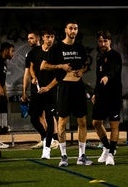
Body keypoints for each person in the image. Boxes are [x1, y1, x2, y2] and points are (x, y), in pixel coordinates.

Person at [40, 19, 93, 166]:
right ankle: (64, 156)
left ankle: (82, 156)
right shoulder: (56, 48)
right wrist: (61, 66)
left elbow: (85, 65)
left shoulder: (80, 48)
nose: (73, 31)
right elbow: (43, 66)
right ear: (65, 30)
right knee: (62, 122)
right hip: (64, 88)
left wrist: (82, 70)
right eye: (71, 28)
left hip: (78, 88)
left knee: (82, 121)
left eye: (75, 28)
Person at [91, 30, 122, 166]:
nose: (103, 43)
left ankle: (111, 154)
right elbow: (98, 77)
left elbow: (114, 70)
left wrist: (107, 77)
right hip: (101, 95)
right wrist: (94, 93)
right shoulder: (99, 56)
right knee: (96, 123)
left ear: (110, 41)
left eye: (105, 41)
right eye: (101, 41)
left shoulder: (115, 55)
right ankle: (107, 147)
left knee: (114, 125)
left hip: (114, 95)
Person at [28, 28, 59, 159]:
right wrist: (33, 77)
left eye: (52, 36)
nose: (50, 39)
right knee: (34, 118)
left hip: (50, 91)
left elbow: (60, 75)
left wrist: (48, 87)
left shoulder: (56, 53)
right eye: (48, 36)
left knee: (50, 118)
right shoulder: (34, 51)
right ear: (42, 38)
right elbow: (31, 67)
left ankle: (47, 149)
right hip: (37, 90)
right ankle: (47, 137)